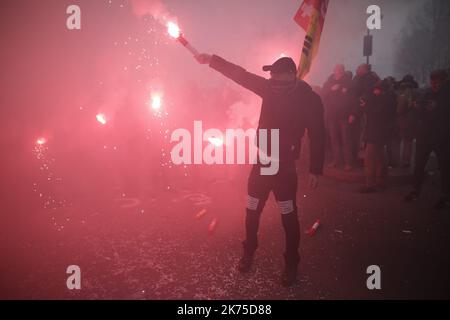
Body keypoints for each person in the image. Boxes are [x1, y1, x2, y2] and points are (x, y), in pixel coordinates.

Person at [195, 53, 325, 286]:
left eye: (278, 76)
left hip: (284, 167)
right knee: (252, 210)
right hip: (263, 162)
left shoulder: (309, 99)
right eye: (271, 76)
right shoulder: (269, 87)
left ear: (291, 76)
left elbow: (318, 134)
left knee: (288, 215)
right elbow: (241, 75)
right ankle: (249, 250)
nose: (273, 80)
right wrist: (212, 60)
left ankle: (292, 263)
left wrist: (316, 168)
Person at [405, 70, 450, 210]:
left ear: (443, 81)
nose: (434, 84)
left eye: (436, 82)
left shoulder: (446, 94)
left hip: (442, 136)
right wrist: (418, 107)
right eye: (432, 81)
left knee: (445, 166)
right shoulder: (427, 93)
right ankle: (415, 190)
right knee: (419, 164)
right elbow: (417, 113)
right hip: (425, 135)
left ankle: (446, 195)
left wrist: (438, 108)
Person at [359, 80, 397, 193]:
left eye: (376, 89)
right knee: (381, 158)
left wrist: (365, 106)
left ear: (381, 90)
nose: (374, 91)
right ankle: (382, 182)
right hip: (381, 133)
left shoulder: (382, 101)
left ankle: (370, 185)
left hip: (375, 133)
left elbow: (375, 115)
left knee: (369, 159)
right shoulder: (389, 100)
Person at [322, 64, 354, 171]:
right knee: (334, 140)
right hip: (332, 116)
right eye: (337, 69)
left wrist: (353, 114)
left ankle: (348, 163)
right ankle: (336, 161)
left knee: (346, 140)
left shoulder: (349, 82)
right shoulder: (329, 82)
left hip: (344, 115)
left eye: (340, 69)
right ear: (334, 70)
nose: (338, 71)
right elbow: (323, 95)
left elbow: (353, 99)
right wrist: (331, 89)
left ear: (343, 71)